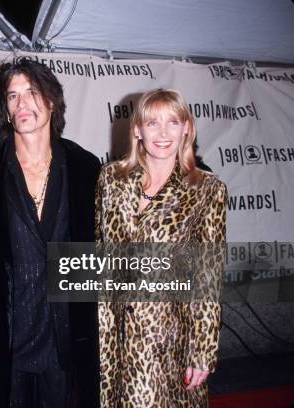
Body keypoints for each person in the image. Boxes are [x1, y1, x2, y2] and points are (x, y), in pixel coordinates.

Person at [0, 59, 102, 407]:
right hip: (8, 335)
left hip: (66, 334)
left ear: (51, 102)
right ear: (6, 111)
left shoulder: (85, 167)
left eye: (32, 92)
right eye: (13, 96)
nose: (22, 103)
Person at [94, 88, 226, 407]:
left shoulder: (206, 189)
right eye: (152, 123)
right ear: (137, 130)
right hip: (111, 331)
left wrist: (203, 350)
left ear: (186, 129)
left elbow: (208, 277)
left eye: (173, 122)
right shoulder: (110, 178)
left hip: (167, 334)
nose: (163, 133)